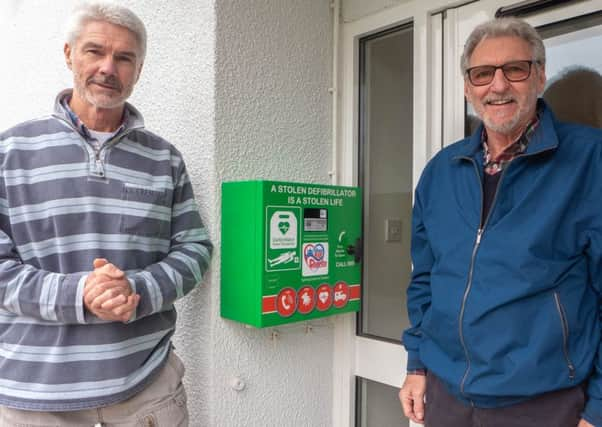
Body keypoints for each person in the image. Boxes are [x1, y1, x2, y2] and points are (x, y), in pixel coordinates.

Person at [0, 2, 212, 426]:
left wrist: (135, 290)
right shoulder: (11, 152)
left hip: (147, 389)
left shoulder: (164, 158)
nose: (108, 68)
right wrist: (81, 294)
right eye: (95, 51)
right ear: (69, 55)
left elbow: (195, 248)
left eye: (124, 57)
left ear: (139, 68)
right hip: (34, 398)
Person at [399, 17, 602, 427]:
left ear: (539, 76)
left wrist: (598, 408)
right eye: (482, 73)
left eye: (515, 69)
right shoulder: (441, 170)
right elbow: (426, 278)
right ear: (467, 87)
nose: (498, 85)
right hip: (446, 395)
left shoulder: (590, 161)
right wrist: (417, 364)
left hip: (543, 403)